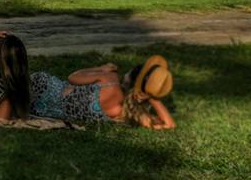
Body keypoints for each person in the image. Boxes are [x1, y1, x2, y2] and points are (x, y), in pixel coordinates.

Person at [30, 55, 176, 129]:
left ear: (130, 75)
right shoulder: (124, 112)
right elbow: (169, 125)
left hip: (45, 90)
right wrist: (152, 96)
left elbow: (73, 78)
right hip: (44, 110)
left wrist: (101, 68)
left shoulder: (110, 79)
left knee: (40, 78)